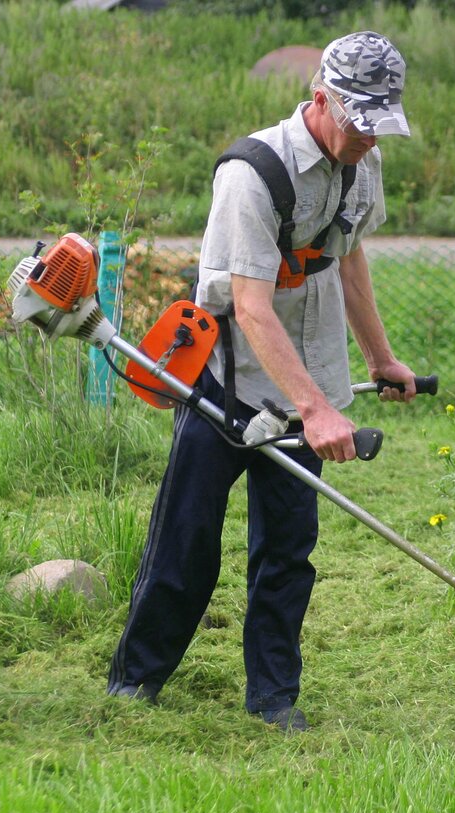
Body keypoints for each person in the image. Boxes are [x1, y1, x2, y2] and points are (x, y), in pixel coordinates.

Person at [107, 32, 418, 732]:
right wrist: (316, 410)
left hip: (304, 385)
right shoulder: (252, 172)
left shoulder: (362, 166)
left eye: (380, 126)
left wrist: (380, 357)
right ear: (320, 100)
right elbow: (248, 306)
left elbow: (349, 257)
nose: (370, 139)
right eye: (359, 123)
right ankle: (136, 681)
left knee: (287, 554)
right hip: (225, 382)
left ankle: (273, 698)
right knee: (186, 544)